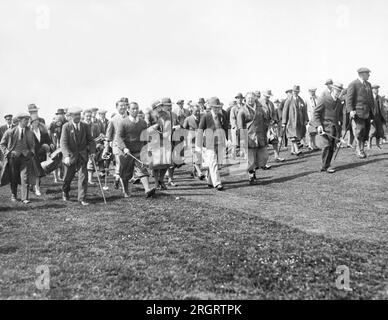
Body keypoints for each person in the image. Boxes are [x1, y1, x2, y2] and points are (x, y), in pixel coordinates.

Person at [116, 102, 156, 198]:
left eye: (137, 108)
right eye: (133, 109)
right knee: (125, 173)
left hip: (139, 151)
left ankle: (147, 190)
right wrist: (124, 148)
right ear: (128, 110)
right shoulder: (123, 122)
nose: (135, 110)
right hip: (126, 153)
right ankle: (126, 191)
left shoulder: (143, 122)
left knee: (142, 169)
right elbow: (119, 137)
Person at [60, 108, 96, 206]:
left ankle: (82, 198)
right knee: (67, 177)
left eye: (79, 115)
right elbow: (63, 143)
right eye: (75, 115)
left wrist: (92, 151)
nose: (77, 117)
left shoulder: (85, 126)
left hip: (82, 156)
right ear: (71, 116)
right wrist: (66, 155)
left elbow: (91, 140)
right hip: (70, 156)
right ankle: (65, 191)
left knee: (83, 177)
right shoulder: (66, 127)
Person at [0, 113, 35, 204]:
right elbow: (2, 144)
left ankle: (25, 198)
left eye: (28, 120)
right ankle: (13, 195)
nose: (27, 121)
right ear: (19, 121)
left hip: (25, 158)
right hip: (13, 157)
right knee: (13, 176)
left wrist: (31, 152)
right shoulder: (10, 131)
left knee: (25, 177)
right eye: (25, 120)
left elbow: (32, 145)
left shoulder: (30, 132)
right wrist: (7, 152)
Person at [196, 97, 228, 191]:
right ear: (211, 107)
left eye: (218, 107)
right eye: (215, 107)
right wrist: (199, 144)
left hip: (220, 142)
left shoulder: (222, 116)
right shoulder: (206, 116)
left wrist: (228, 139)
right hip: (210, 143)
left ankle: (210, 181)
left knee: (215, 163)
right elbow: (200, 130)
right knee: (213, 162)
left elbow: (225, 128)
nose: (217, 109)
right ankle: (217, 183)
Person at [238, 92, 270, 184]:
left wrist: (267, 132)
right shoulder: (242, 110)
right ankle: (251, 176)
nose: (250, 100)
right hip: (249, 137)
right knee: (250, 159)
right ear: (245, 99)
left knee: (263, 156)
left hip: (260, 136)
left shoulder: (260, 109)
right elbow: (240, 127)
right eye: (248, 98)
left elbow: (265, 120)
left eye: (252, 98)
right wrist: (243, 139)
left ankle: (254, 171)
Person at [313, 82, 344, 173]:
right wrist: (318, 125)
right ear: (332, 90)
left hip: (335, 128)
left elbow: (340, 114)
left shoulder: (339, 102)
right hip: (324, 128)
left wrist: (340, 121)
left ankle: (326, 165)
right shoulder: (324, 99)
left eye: (340, 91)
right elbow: (316, 113)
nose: (338, 93)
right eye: (337, 91)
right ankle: (326, 166)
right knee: (326, 146)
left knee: (331, 147)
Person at [346, 67, 374, 158]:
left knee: (366, 132)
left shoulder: (368, 84)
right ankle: (360, 150)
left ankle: (360, 150)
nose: (369, 75)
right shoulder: (353, 84)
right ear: (362, 74)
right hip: (358, 113)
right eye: (367, 73)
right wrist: (350, 110)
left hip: (368, 113)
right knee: (359, 132)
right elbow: (349, 99)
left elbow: (371, 100)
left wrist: (372, 113)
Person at [103, 97, 129, 189]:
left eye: (124, 105)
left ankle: (118, 178)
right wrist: (106, 149)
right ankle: (120, 180)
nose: (122, 107)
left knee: (127, 165)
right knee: (119, 163)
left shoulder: (131, 117)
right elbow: (108, 136)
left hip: (129, 145)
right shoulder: (113, 120)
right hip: (117, 146)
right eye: (120, 106)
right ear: (116, 107)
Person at [30, 114, 53, 196]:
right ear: (31, 123)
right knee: (36, 172)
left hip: (41, 154)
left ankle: (34, 187)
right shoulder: (29, 132)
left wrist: (49, 144)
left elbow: (48, 140)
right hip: (33, 154)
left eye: (37, 121)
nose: (36, 123)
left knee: (39, 172)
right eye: (34, 122)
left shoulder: (43, 131)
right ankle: (36, 189)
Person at [282, 85, 309, 156]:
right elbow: (285, 111)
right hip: (291, 121)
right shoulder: (288, 100)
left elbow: (304, 110)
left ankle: (292, 150)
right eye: (294, 91)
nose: (295, 93)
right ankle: (297, 150)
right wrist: (284, 122)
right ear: (292, 91)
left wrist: (306, 119)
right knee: (293, 135)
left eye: (297, 91)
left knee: (298, 135)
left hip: (299, 121)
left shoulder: (301, 100)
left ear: (298, 92)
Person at [260, 89, 285, 164]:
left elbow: (273, 113)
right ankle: (263, 162)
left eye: (268, 96)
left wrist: (274, 120)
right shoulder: (259, 103)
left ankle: (276, 157)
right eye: (266, 96)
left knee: (275, 141)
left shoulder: (271, 103)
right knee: (264, 144)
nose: (268, 98)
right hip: (262, 126)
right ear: (263, 96)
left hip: (271, 126)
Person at [183, 103, 205, 180]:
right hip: (191, 138)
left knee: (198, 155)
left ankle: (194, 172)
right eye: (196, 111)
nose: (198, 113)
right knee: (194, 155)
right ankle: (199, 172)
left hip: (199, 138)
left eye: (198, 111)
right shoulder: (188, 119)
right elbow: (184, 129)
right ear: (192, 111)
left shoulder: (202, 118)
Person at [83, 109, 103, 185]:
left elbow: (98, 136)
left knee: (91, 161)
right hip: (83, 147)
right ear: (84, 116)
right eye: (87, 116)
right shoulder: (81, 125)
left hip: (92, 146)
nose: (88, 118)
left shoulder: (95, 126)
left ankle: (90, 179)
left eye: (89, 116)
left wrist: (97, 143)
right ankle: (84, 178)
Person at [48, 108, 67, 183]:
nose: (61, 116)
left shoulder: (66, 122)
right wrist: (50, 143)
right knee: (54, 161)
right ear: (57, 115)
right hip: (55, 145)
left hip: (63, 145)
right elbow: (49, 134)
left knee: (63, 162)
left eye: (62, 114)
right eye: (59, 114)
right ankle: (55, 177)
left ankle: (61, 176)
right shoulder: (53, 124)